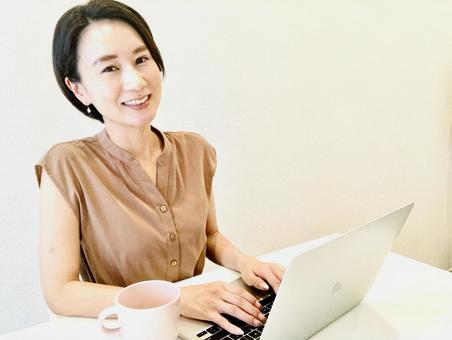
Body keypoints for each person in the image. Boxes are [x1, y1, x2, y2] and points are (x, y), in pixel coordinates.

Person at [35, 0, 284, 336]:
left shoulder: (196, 150)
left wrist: (247, 263)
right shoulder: (66, 165)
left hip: (204, 322)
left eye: (141, 59)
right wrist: (178, 298)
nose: (136, 81)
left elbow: (209, 235)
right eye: (109, 68)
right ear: (78, 88)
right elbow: (60, 292)